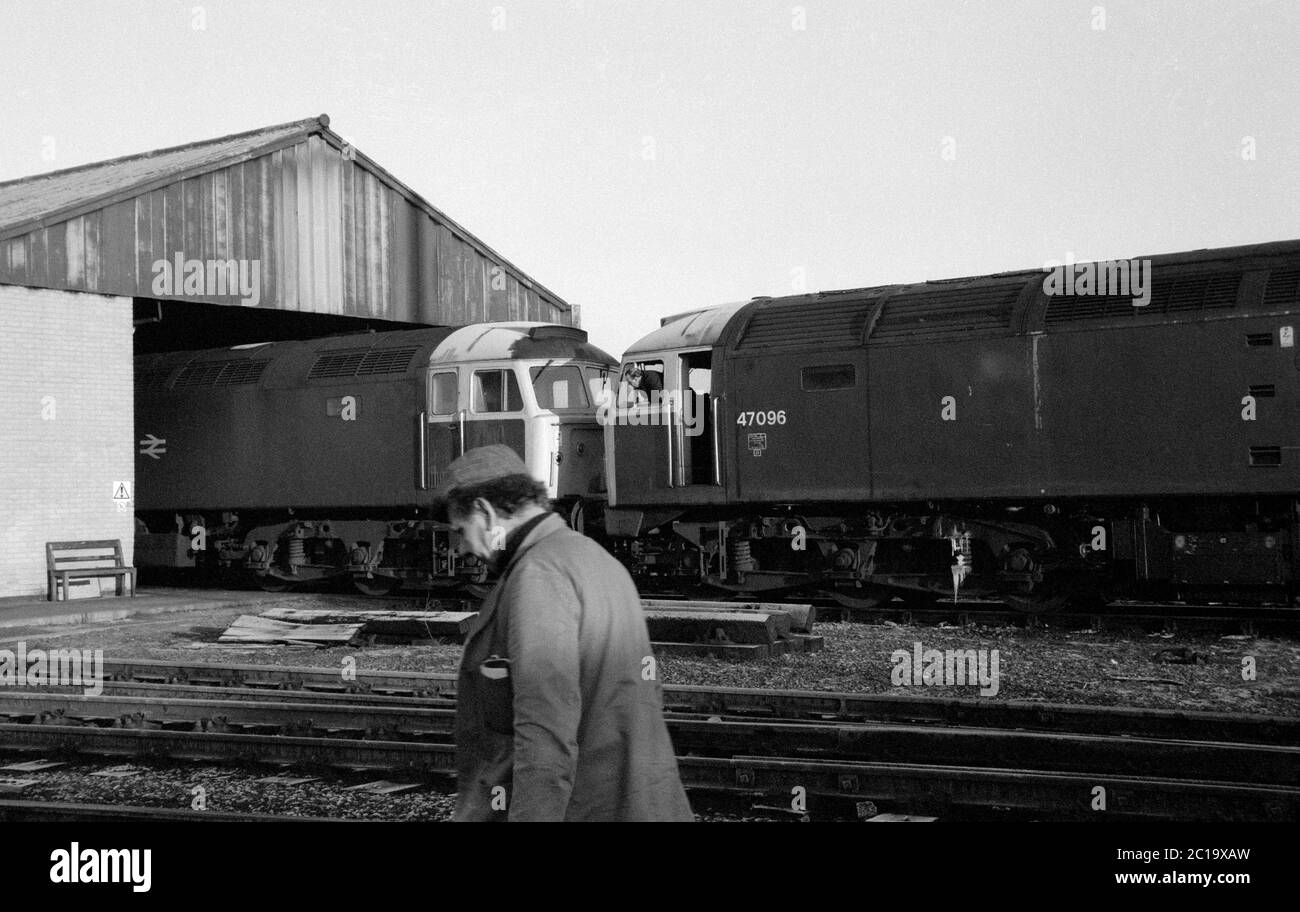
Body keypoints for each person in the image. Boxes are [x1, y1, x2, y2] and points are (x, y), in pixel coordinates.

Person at [435, 444, 694, 822]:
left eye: (462, 531)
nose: (462, 548)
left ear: (485, 513)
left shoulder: (538, 575)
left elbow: (544, 735)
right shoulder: (593, 558)